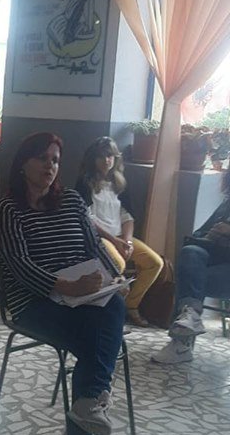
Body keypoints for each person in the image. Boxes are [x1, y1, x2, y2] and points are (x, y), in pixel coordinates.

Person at [0, 132, 126, 435]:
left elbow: (93, 247)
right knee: (95, 339)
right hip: (33, 300)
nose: (50, 166)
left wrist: (111, 277)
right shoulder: (8, 208)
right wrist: (64, 286)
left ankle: (86, 408)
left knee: (113, 306)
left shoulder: (70, 200)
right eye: (42, 158)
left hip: (81, 296)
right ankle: (82, 433)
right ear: (23, 164)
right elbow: (19, 266)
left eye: (55, 160)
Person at [76, 136, 163, 326]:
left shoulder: (120, 183)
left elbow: (127, 215)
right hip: (99, 238)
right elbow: (87, 219)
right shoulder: (85, 183)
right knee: (118, 264)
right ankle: (112, 311)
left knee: (155, 263)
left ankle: (131, 305)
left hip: (120, 236)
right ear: (93, 158)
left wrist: (128, 241)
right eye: (101, 156)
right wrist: (115, 241)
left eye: (110, 156)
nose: (106, 160)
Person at [152, 169, 230, 364]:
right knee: (191, 253)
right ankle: (191, 315)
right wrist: (211, 235)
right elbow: (197, 235)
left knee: (191, 276)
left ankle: (181, 344)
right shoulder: (226, 204)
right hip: (214, 263)